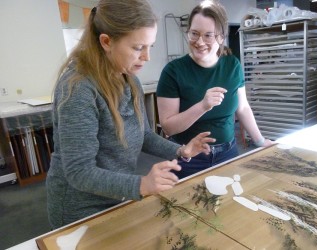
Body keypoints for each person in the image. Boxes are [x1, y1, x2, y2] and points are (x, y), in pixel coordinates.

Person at [46, 0, 215, 229]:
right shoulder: (78, 89)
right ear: (106, 41)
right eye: (138, 48)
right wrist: (142, 185)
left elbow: (143, 135)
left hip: (116, 195)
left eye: (150, 46)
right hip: (79, 208)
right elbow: (79, 172)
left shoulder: (130, 80)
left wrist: (180, 150)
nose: (147, 57)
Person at [156, 0, 273, 179]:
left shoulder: (232, 65)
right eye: (194, 34)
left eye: (208, 35)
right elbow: (168, 127)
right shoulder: (173, 71)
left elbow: (242, 108)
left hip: (228, 153)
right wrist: (202, 106)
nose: (199, 42)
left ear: (220, 36)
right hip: (188, 158)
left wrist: (260, 141)